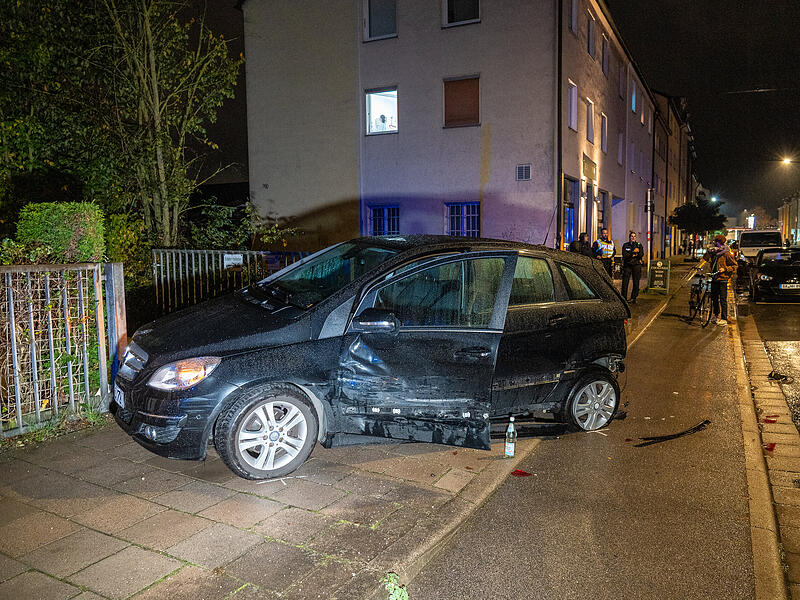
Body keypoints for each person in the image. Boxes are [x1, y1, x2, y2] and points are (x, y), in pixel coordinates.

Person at [702, 234, 738, 326]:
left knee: (723, 299)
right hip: (715, 278)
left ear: (720, 243)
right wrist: (709, 251)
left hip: (723, 279)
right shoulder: (714, 252)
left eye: (716, 242)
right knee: (714, 298)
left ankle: (724, 318)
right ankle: (716, 315)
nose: (715, 243)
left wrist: (725, 269)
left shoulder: (726, 253)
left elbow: (734, 266)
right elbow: (705, 258)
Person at [621, 231, 644, 303]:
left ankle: (633, 298)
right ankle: (623, 298)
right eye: (632, 236)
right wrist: (633, 252)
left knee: (636, 282)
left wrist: (633, 254)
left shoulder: (639, 245)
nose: (633, 238)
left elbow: (641, 254)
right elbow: (625, 255)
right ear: (629, 237)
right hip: (627, 265)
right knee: (625, 282)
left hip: (636, 265)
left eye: (634, 236)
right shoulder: (625, 245)